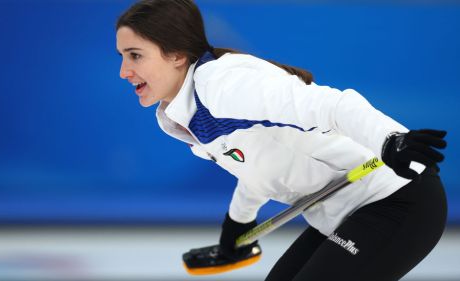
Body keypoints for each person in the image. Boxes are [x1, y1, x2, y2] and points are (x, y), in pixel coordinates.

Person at [115, 1, 448, 280]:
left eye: (135, 55)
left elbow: (332, 105)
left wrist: (390, 140)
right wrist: (238, 224)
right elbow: (258, 165)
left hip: (396, 200)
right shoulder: (179, 115)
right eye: (122, 56)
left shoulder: (224, 85)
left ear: (175, 55)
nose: (124, 71)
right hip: (343, 211)